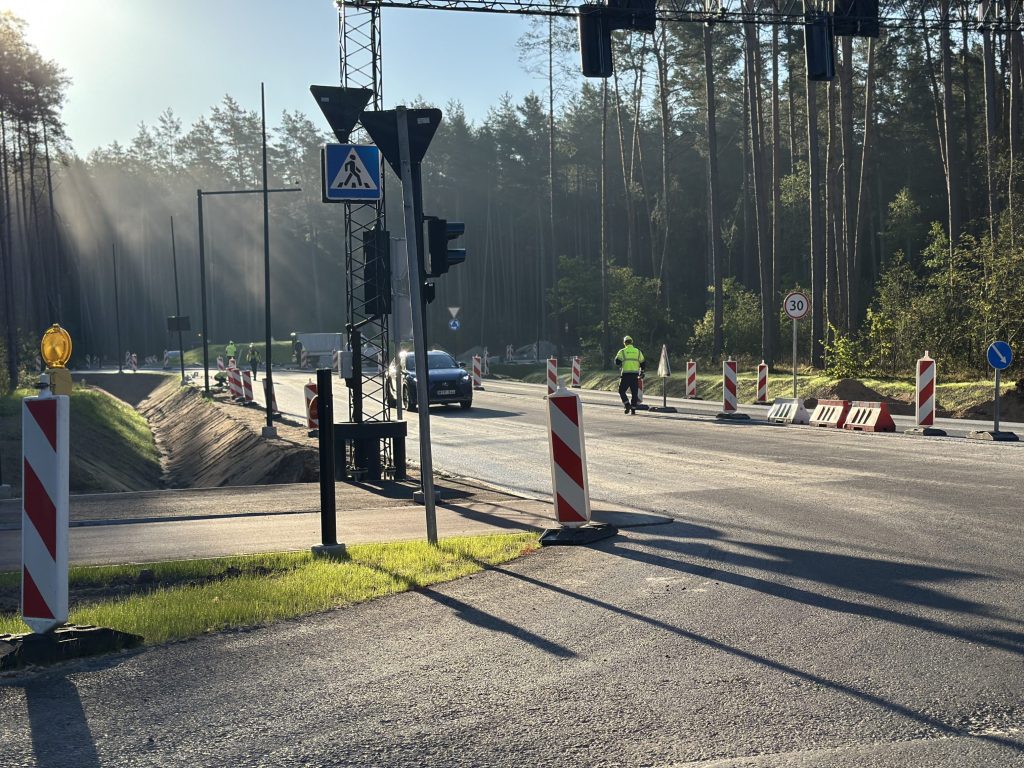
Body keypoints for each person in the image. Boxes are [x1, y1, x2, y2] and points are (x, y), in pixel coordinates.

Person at [615, 335, 645, 415]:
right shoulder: (638, 351)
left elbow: (617, 362)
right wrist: (642, 371)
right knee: (634, 393)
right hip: (635, 375)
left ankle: (627, 404)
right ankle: (633, 409)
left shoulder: (622, 351)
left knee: (621, 391)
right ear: (632, 342)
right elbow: (643, 362)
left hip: (625, 375)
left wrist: (621, 363)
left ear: (624, 343)